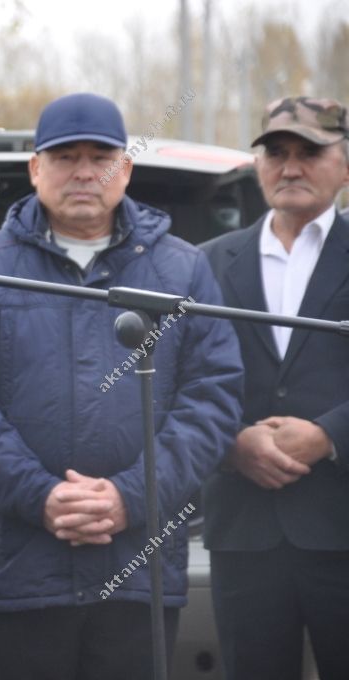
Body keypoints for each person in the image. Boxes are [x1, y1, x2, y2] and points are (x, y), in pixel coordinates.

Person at [0, 92, 243, 679]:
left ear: (127, 168)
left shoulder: (182, 270)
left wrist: (132, 497)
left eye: (102, 156)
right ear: (36, 169)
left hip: (139, 573)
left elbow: (212, 401)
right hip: (25, 572)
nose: (85, 172)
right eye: (66, 156)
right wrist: (40, 496)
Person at [200, 96, 349, 680]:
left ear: (344, 164)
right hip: (244, 533)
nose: (291, 167)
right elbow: (177, 383)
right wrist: (231, 443)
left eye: (310, 153)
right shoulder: (205, 264)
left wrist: (329, 435)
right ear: (258, 164)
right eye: (277, 153)